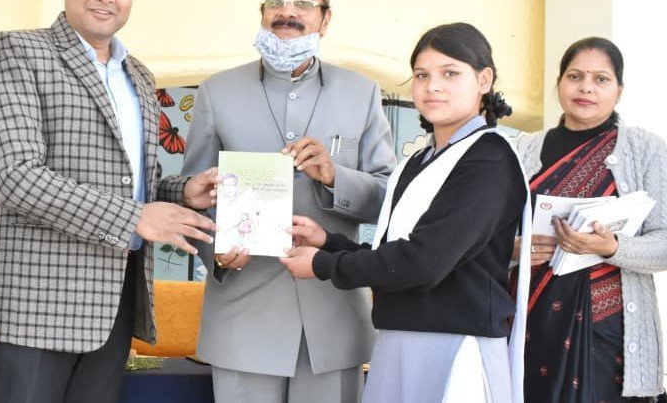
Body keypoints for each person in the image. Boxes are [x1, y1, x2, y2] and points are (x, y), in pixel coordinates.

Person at [0, 0, 218, 403]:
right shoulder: (17, 51)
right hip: (37, 308)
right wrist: (136, 217)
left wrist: (182, 193)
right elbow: (15, 176)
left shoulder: (138, 75)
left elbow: (133, 184)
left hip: (114, 306)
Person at [180, 0, 397, 403]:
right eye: (275, 0)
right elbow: (193, 193)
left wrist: (335, 176)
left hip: (333, 316)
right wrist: (216, 254)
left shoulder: (362, 93)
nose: (288, 11)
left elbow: (389, 198)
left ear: (325, 18)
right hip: (243, 317)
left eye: (303, 2)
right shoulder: (218, 91)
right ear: (262, 13)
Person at [281, 22, 531, 402]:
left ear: (484, 80)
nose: (433, 86)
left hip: (454, 346)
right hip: (400, 337)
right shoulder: (419, 161)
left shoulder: (489, 159)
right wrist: (327, 242)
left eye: (450, 73)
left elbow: (423, 263)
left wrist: (323, 265)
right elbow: (396, 255)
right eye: (421, 75)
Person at [513, 37, 667, 401]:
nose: (586, 87)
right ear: (559, 83)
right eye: (575, 76)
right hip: (532, 316)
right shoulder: (523, 148)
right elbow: (493, 233)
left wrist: (611, 247)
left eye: (601, 79)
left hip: (608, 328)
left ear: (619, 90)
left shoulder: (645, 149)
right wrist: (514, 249)